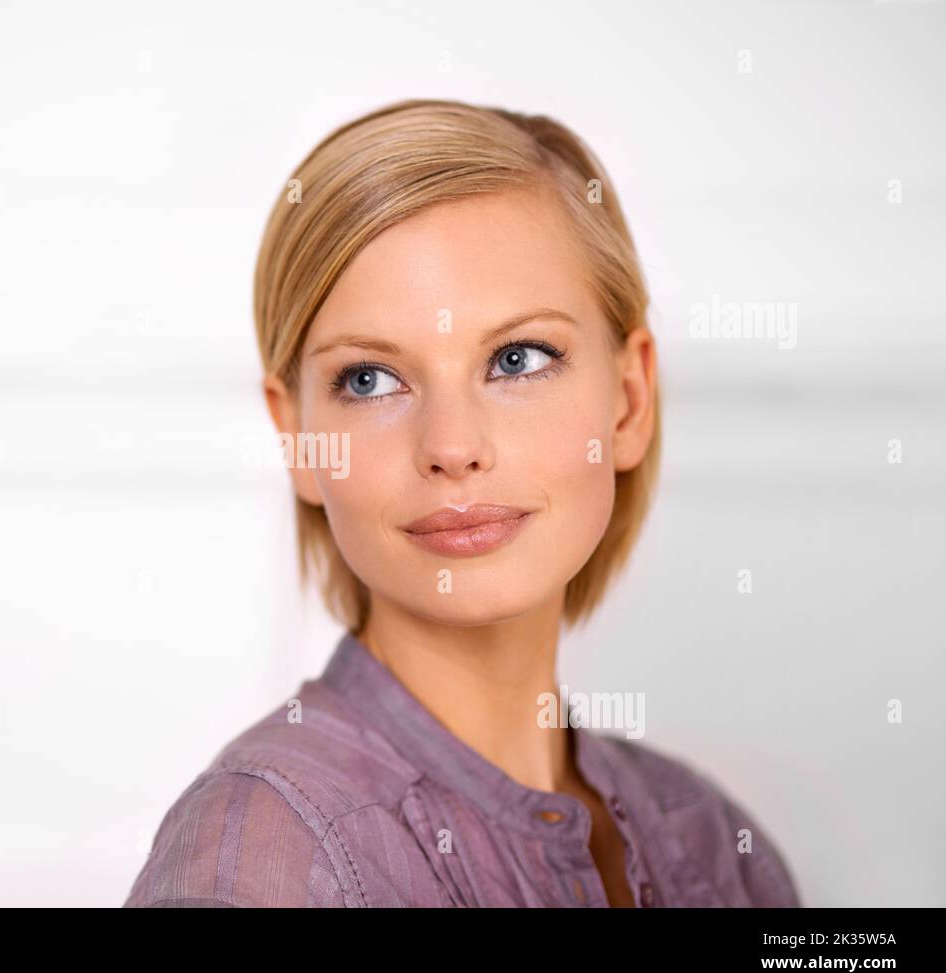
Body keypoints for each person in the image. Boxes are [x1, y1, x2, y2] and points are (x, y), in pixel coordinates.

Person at [123, 98, 803, 908]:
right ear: (299, 435)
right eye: (370, 379)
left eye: (518, 359)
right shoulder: (261, 853)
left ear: (628, 401)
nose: (451, 444)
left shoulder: (715, 843)